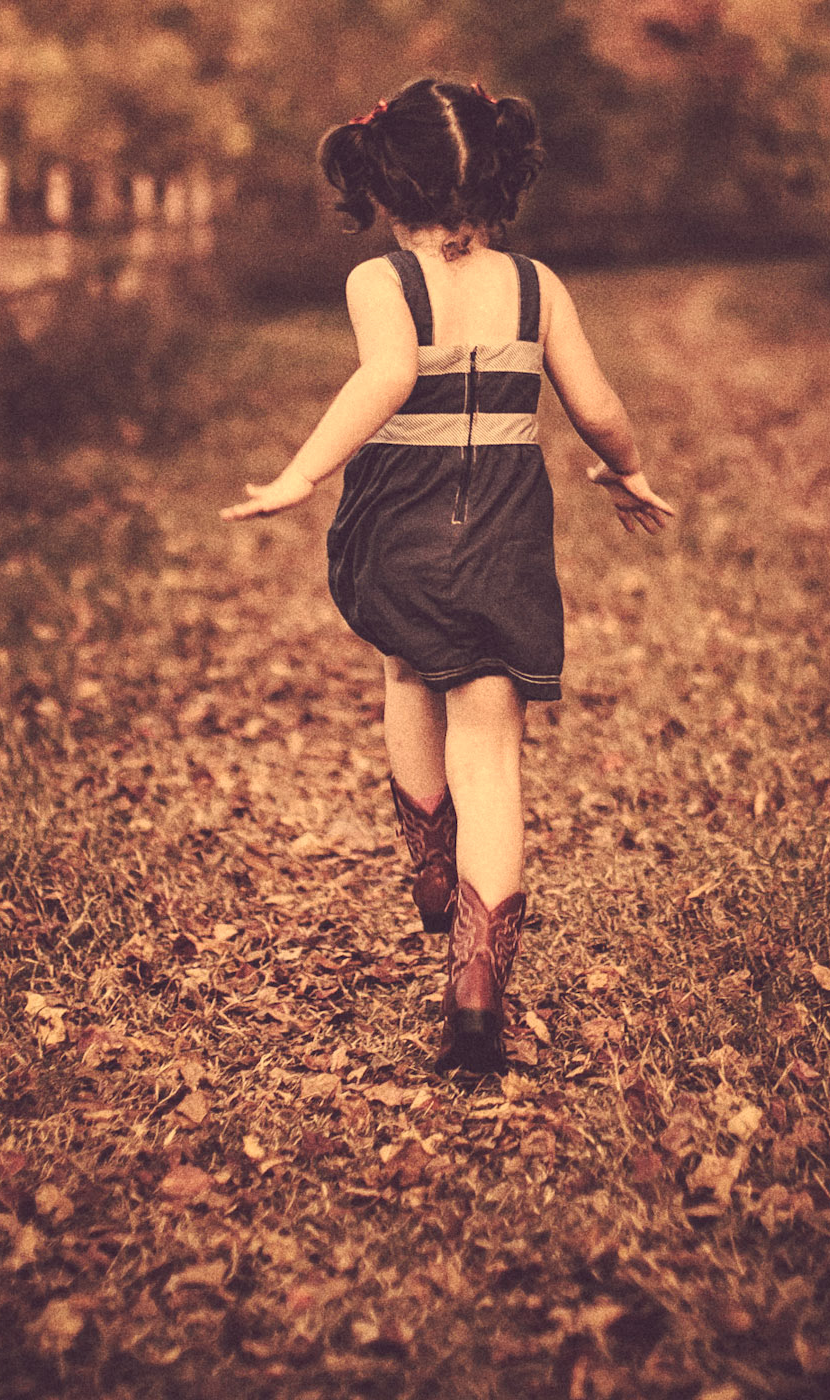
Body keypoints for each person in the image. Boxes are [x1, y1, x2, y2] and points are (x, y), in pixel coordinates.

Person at [221, 77, 674, 1071]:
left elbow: (386, 377)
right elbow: (596, 402)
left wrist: (303, 473)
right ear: (499, 174)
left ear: (388, 179)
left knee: (403, 667)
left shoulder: (381, 283)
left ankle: (429, 865)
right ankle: (477, 986)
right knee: (493, 745)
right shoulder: (536, 286)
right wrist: (628, 466)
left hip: (401, 517)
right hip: (505, 526)